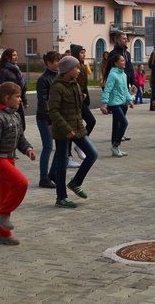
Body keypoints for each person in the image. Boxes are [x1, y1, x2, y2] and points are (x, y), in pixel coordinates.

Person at [0, 82, 35, 245]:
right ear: (6, 98)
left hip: (9, 158)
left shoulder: (15, 115)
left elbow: (20, 138)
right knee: (21, 183)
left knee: (5, 196)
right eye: (17, 96)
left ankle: (3, 235)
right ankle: (1, 213)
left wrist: (28, 149)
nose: (20, 99)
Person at [49, 55, 97, 208]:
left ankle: (76, 182)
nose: (79, 70)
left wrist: (80, 98)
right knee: (62, 164)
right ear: (68, 70)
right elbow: (54, 111)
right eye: (76, 68)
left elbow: (76, 108)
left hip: (77, 127)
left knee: (92, 154)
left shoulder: (74, 83)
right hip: (64, 131)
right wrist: (67, 129)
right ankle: (61, 197)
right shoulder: (57, 87)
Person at [100, 54, 134, 157]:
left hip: (123, 103)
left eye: (124, 60)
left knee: (117, 125)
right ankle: (115, 144)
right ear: (116, 63)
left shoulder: (123, 74)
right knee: (124, 123)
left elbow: (125, 89)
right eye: (122, 61)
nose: (124, 62)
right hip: (114, 104)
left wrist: (130, 100)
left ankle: (115, 149)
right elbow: (107, 89)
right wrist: (104, 104)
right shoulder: (113, 74)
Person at [36, 51, 59, 188]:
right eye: (56, 61)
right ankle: (43, 178)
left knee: (62, 145)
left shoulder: (59, 77)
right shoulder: (44, 79)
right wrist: (50, 120)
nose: (58, 63)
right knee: (48, 147)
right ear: (49, 63)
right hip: (45, 118)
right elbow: (43, 102)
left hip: (57, 117)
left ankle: (53, 173)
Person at [0, 48, 28, 130]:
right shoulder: (3, 72)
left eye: (16, 55)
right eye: (13, 55)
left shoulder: (17, 70)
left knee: (21, 126)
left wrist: (24, 101)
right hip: (8, 103)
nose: (16, 57)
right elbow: (1, 89)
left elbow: (22, 87)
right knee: (12, 127)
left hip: (17, 101)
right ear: (7, 57)